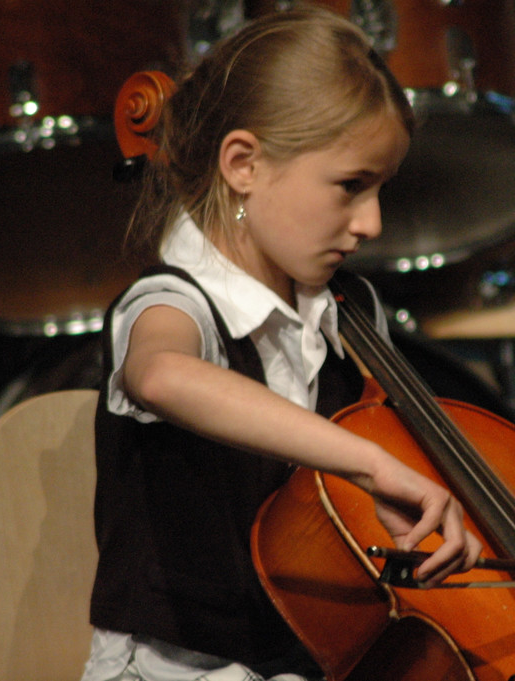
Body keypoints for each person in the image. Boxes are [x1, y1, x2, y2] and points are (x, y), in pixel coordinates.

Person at [80, 7, 482, 681]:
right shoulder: (174, 303)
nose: (372, 222)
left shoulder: (348, 315)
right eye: (351, 186)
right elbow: (161, 375)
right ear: (243, 164)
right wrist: (371, 464)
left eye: (380, 189)